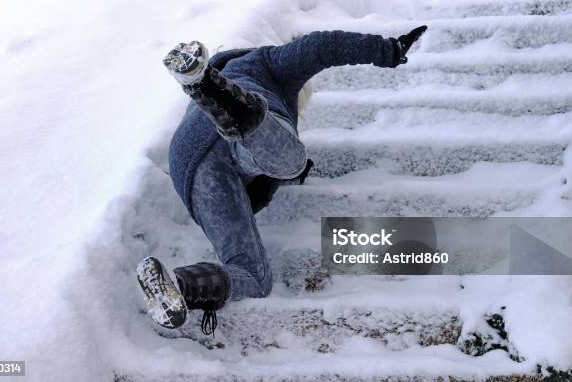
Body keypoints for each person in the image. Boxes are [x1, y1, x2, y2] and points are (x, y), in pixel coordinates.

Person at [136, 26, 428, 335]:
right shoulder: (265, 61)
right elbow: (320, 47)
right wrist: (388, 49)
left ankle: (180, 287)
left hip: (188, 161)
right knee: (290, 160)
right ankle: (240, 111)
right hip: (236, 133)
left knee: (255, 277)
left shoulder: (213, 99)